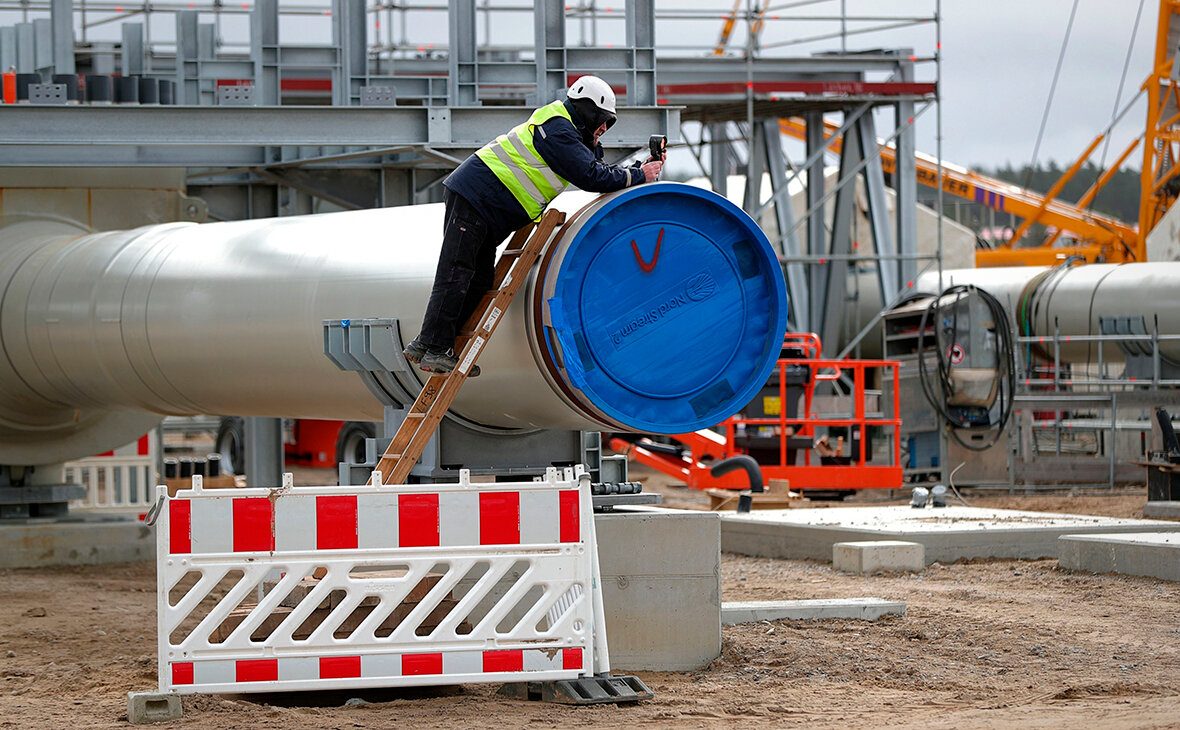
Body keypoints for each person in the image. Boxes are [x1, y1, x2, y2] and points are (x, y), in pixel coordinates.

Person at [403, 75, 665, 376]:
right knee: (457, 272)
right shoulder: (558, 129)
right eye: (603, 121)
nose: (604, 129)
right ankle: (435, 349)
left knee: (478, 280)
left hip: (489, 207)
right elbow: (592, 177)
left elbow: (597, 168)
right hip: (478, 195)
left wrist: (636, 170)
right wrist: (639, 175)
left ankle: (428, 344)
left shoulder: (569, 133)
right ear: (589, 111)